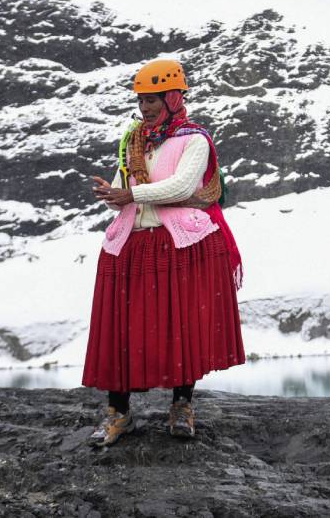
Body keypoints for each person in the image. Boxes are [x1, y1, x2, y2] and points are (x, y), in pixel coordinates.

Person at [83, 58, 245, 446]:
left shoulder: (194, 139)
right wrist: (114, 194)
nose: (146, 107)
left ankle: (181, 406)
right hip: (133, 241)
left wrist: (131, 193)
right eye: (142, 100)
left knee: (181, 324)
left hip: (179, 242)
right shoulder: (133, 139)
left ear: (173, 97)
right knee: (121, 328)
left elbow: (181, 186)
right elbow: (127, 186)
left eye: (153, 99)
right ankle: (118, 413)